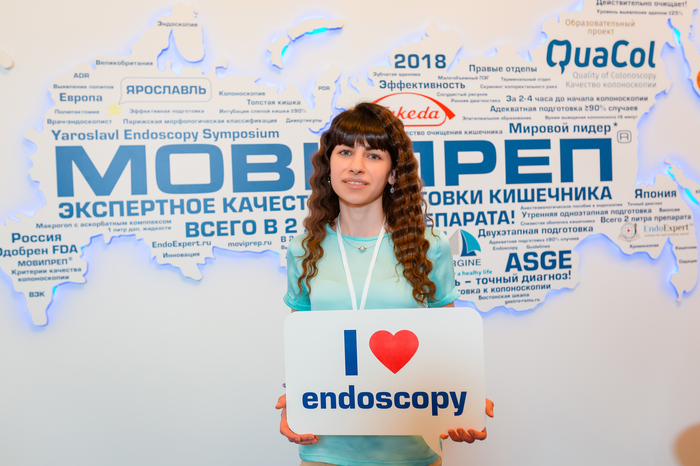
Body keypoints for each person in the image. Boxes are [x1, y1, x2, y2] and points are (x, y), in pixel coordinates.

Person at [276, 102, 494, 466]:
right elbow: (304, 349)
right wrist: (293, 402)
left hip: (411, 451)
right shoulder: (304, 249)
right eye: (345, 152)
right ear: (328, 165)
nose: (356, 166)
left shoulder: (428, 247)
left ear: (393, 174)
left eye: (373, 155)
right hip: (325, 448)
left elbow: (447, 346)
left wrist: (464, 399)